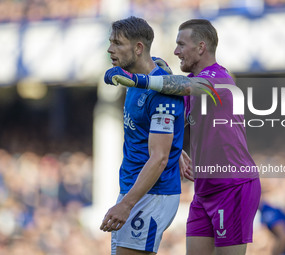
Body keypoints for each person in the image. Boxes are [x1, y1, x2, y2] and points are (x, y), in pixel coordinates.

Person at [105, 19, 261, 255]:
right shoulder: (188, 88)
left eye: (181, 44)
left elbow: (181, 85)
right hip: (204, 188)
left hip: (232, 186)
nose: (176, 51)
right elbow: (173, 101)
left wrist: (139, 79)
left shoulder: (218, 80)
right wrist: (176, 151)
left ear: (201, 47)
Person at [99, 16, 185, 255]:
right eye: (110, 42)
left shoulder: (162, 94)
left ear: (138, 48)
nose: (110, 49)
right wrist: (178, 150)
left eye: (117, 43)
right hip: (134, 190)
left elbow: (158, 158)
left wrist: (126, 204)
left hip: (151, 195)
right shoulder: (135, 79)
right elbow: (154, 133)